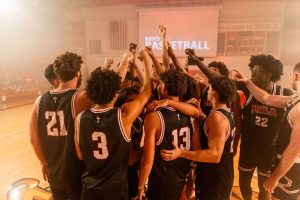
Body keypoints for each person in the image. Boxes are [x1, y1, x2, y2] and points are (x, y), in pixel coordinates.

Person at [74, 49, 152, 200]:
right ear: (116, 93)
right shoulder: (123, 116)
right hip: (115, 191)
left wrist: (123, 63)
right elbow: (147, 92)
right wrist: (147, 63)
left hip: (89, 190)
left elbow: (80, 154)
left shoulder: (80, 118)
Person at [29, 52, 94, 200]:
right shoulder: (78, 99)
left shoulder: (39, 101)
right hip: (76, 173)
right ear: (78, 73)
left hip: (54, 172)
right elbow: (107, 87)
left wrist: (44, 163)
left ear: (57, 74)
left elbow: (33, 139)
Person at [161, 76, 236, 200]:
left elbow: (214, 155)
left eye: (210, 88)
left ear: (215, 93)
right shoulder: (226, 112)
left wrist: (181, 153)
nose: (207, 91)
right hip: (218, 174)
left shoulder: (217, 118)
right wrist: (200, 115)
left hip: (216, 179)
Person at [233, 62, 300, 200]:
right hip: (255, 149)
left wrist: (275, 177)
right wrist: (246, 81)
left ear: (296, 76)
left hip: (289, 166)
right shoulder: (294, 99)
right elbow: (266, 98)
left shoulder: (296, 103)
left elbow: (294, 149)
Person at [138, 69, 198, 200]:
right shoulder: (191, 116)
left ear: (164, 87)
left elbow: (148, 160)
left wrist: (140, 186)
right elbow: (196, 150)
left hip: (161, 183)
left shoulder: (154, 116)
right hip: (182, 178)